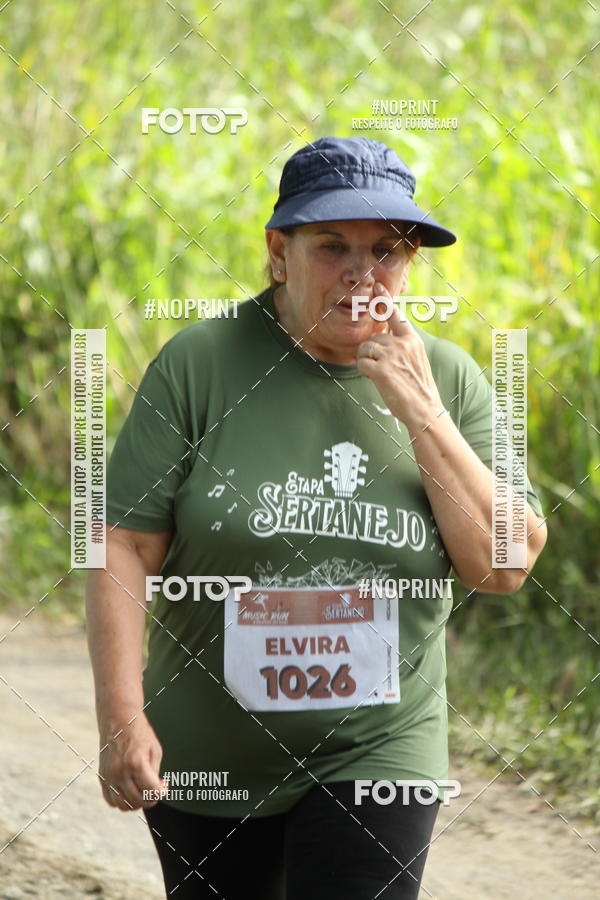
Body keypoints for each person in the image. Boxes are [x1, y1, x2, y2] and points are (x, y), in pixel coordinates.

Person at [86, 136, 548, 899]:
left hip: (381, 744)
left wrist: (421, 410)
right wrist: (121, 717)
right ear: (280, 253)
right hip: (211, 751)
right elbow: (124, 542)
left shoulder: (451, 379)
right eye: (332, 246)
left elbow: (505, 565)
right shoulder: (200, 363)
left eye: (387, 250)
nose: (362, 272)